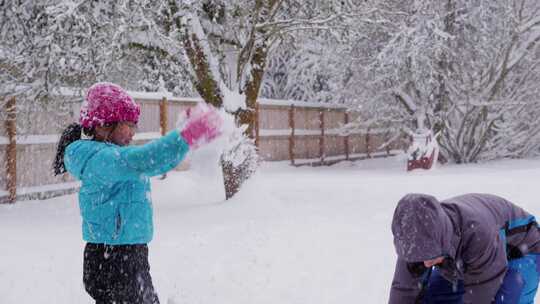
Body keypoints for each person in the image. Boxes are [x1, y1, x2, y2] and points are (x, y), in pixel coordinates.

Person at [53, 82, 223, 304]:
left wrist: (184, 129)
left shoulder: (111, 155)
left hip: (123, 255)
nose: (133, 132)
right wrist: (185, 136)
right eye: (128, 124)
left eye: (135, 125)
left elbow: (146, 161)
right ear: (103, 125)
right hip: (114, 258)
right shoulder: (100, 159)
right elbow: (145, 160)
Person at [389, 193, 540, 304]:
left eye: (430, 257)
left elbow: (481, 293)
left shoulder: (478, 233)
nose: (427, 264)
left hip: (522, 249)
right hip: (471, 259)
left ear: (444, 239)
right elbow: (404, 290)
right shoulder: (413, 239)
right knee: (431, 297)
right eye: (421, 259)